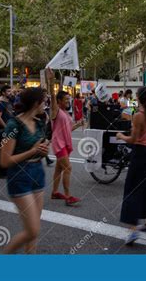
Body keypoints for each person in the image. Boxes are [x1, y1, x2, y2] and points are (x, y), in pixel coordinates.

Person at [0, 88, 50, 254]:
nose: (45, 104)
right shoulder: (14, 125)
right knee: (32, 230)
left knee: (33, 231)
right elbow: (4, 161)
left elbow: (41, 149)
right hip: (19, 175)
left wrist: (43, 151)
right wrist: (32, 151)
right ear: (36, 103)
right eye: (43, 101)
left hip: (37, 171)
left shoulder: (39, 122)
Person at [116, 86, 146, 245]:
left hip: (140, 153)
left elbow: (133, 140)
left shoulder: (139, 116)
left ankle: (133, 230)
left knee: (132, 188)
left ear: (138, 98)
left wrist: (121, 136)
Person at [46, 69, 84, 206]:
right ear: (59, 101)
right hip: (58, 143)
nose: (69, 101)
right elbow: (52, 95)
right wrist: (51, 81)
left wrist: (79, 125)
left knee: (59, 169)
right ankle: (68, 196)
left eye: (69, 99)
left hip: (65, 143)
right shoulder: (55, 110)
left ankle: (55, 192)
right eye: (66, 99)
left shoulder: (65, 113)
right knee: (68, 168)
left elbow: (68, 129)